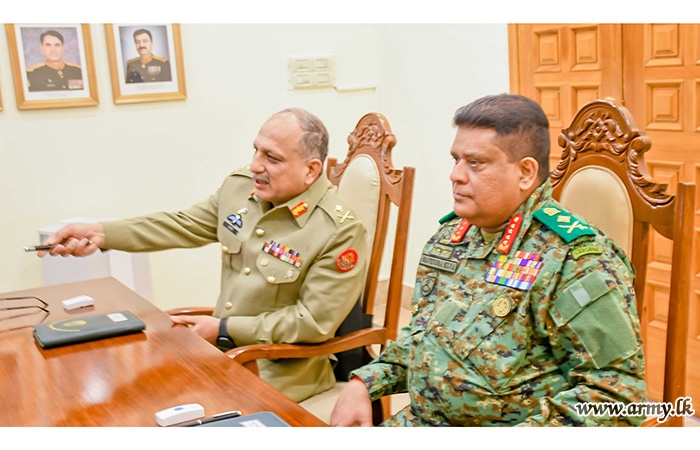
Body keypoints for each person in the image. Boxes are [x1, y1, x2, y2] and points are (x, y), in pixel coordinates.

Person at [331, 94, 647, 427]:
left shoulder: (575, 260)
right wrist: (365, 382)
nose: (455, 175)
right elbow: (423, 337)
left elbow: (617, 396)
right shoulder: (451, 238)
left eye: (475, 162)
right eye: (455, 159)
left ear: (525, 173)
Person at [39, 108, 368, 403]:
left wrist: (224, 327)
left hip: (280, 370)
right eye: (256, 150)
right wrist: (101, 232)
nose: (256, 165)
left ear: (311, 170)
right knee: (126, 385)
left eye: (272, 158)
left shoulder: (338, 229)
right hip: (218, 349)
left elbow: (312, 323)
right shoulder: (241, 187)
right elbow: (182, 225)